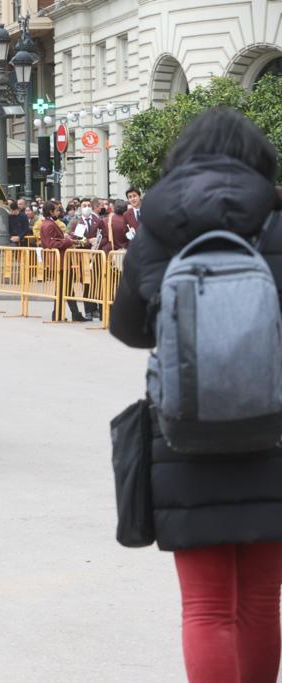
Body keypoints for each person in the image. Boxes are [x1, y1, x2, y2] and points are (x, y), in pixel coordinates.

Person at [109, 107, 282, 683]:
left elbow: (127, 329)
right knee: (260, 601)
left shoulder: (158, 225)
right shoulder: (276, 221)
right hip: (273, 428)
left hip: (183, 430)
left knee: (207, 606)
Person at [38, 200, 87, 322]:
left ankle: (68, 314)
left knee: (65, 288)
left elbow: (53, 241)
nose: (58, 211)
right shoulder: (49, 224)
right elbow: (51, 243)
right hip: (60, 261)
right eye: (56, 209)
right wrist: (68, 241)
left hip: (60, 261)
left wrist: (65, 238)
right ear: (51, 211)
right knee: (63, 288)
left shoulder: (47, 223)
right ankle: (62, 314)